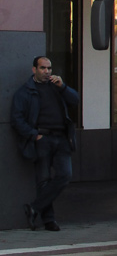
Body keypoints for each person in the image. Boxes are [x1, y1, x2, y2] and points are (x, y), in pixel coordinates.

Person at [10, 56, 80, 231]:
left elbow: (75, 100)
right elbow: (16, 119)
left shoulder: (57, 87)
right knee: (43, 180)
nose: (47, 72)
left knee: (65, 175)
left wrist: (63, 87)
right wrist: (34, 135)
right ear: (34, 70)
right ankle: (49, 220)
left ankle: (34, 207)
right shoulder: (25, 91)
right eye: (43, 68)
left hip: (61, 138)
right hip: (42, 139)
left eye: (49, 68)